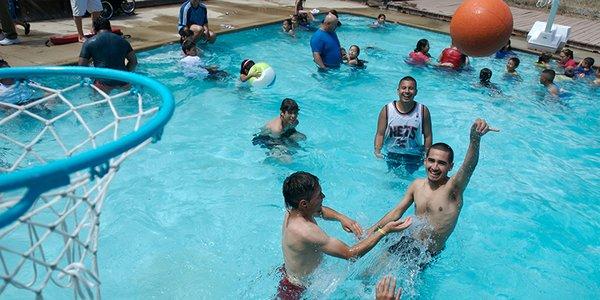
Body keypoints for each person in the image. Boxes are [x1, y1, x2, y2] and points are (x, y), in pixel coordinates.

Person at [369, 118, 498, 256]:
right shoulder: (417, 185)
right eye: (431, 161)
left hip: (425, 254)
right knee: (367, 273)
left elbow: (468, 167)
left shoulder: (452, 189)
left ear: (450, 166)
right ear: (425, 161)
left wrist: (475, 139)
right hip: (406, 238)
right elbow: (396, 212)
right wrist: (371, 231)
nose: (434, 167)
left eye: (441, 163)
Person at [278, 171, 413, 299]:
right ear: (304, 203)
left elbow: (321, 211)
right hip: (298, 291)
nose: (323, 197)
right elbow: (350, 254)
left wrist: (341, 217)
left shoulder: (293, 211)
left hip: (292, 274)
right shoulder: (306, 231)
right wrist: (384, 231)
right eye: (319, 195)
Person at [374, 76, 432, 174]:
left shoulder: (423, 110)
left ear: (416, 92)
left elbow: (428, 135)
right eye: (404, 88)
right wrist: (377, 151)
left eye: (411, 88)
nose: (407, 91)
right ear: (398, 91)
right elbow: (380, 133)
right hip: (392, 153)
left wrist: (427, 155)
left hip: (414, 154)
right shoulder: (387, 110)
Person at [78, 17, 137, 92]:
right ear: (110, 28)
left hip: (102, 83)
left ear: (94, 29)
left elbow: (81, 66)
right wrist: (126, 73)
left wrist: (92, 77)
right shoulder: (123, 41)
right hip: (123, 80)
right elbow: (134, 62)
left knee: (99, 103)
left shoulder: (89, 42)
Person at [252, 98, 306, 163]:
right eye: (290, 113)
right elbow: (275, 142)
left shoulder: (294, 122)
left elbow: (291, 132)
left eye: (295, 113)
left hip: (281, 136)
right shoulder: (276, 129)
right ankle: (268, 160)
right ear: (282, 113)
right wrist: (290, 147)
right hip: (265, 139)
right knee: (287, 159)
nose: (293, 116)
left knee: (302, 137)